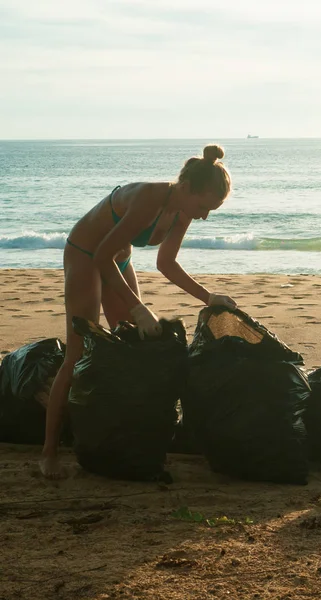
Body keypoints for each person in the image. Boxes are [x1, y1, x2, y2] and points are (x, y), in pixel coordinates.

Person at [40, 144, 236, 478]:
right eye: (204, 206)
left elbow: (166, 263)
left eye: (211, 211)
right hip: (86, 254)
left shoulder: (183, 210)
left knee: (131, 350)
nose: (203, 215)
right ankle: (49, 455)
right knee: (76, 353)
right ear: (187, 188)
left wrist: (208, 297)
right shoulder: (149, 198)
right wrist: (138, 307)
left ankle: (116, 438)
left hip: (116, 259)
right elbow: (101, 255)